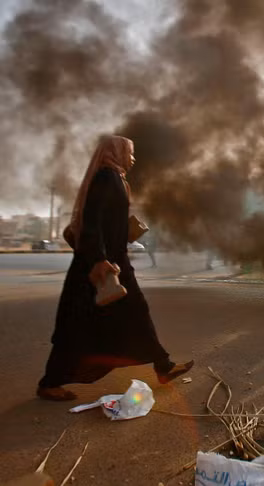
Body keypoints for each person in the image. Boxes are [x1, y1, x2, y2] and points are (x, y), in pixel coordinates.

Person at [38, 136, 193, 401]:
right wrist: (99, 259)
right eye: (130, 153)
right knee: (76, 325)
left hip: (115, 261)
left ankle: (163, 365)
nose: (133, 158)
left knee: (137, 312)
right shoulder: (106, 177)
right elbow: (91, 223)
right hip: (98, 266)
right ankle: (50, 383)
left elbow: (107, 221)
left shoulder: (117, 178)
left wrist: (125, 231)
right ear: (116, 152)